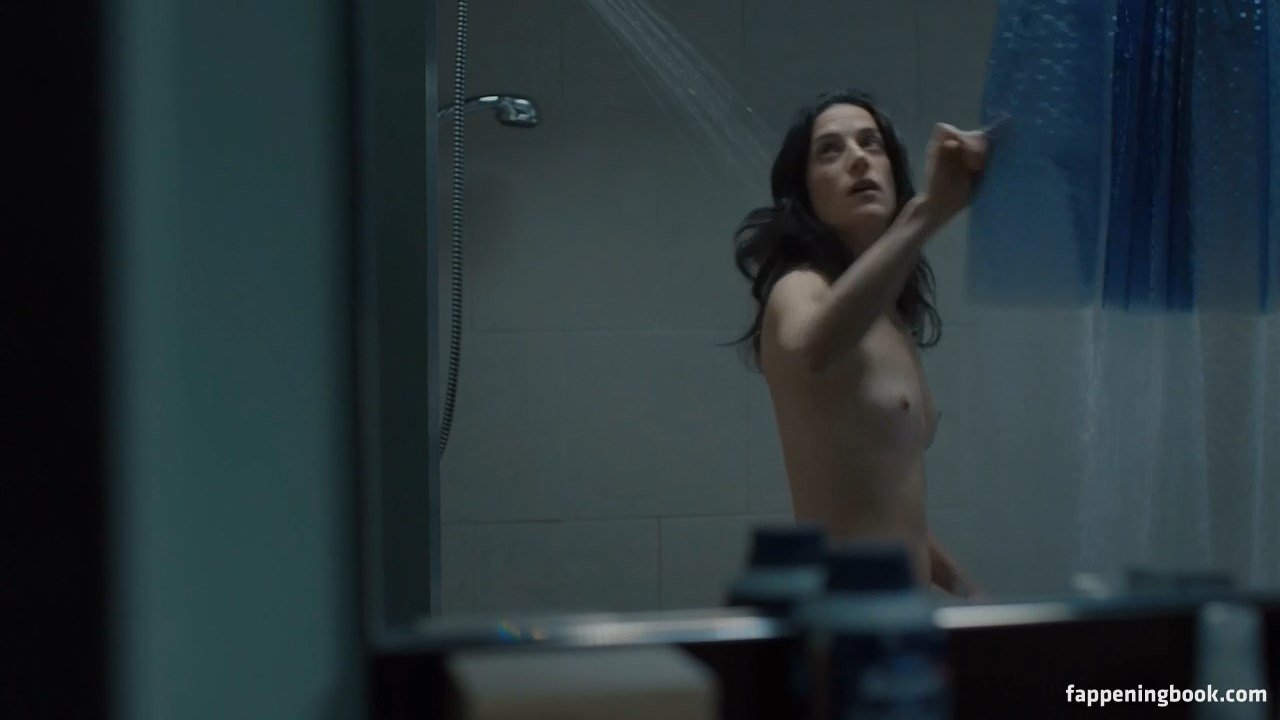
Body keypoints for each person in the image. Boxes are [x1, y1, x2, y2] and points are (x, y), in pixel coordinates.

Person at [732, 89, 986, 598]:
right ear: (805, 193)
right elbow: (813, 349)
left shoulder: (887, 316)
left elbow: (885, 507)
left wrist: (965, 589)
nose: (858, 159)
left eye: (872, 144)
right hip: (842, 614)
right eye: (830, 150)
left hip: (899, 613)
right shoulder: (800, 287)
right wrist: (928, 213)